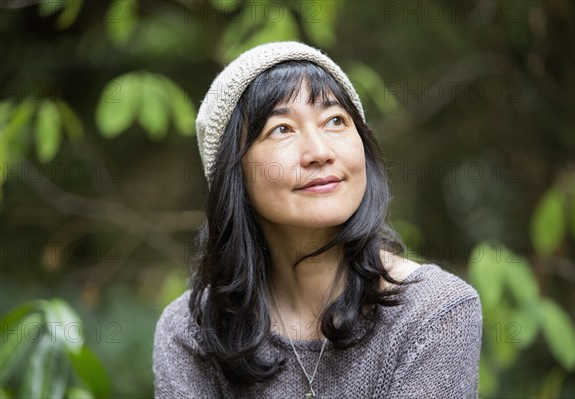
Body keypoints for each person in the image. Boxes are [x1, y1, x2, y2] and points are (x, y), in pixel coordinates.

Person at [153, 41, 482, 398]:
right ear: (234, 174)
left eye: (335, 120)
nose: (320, 152)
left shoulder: (434, 314)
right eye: (282, 129)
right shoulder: (192, 332)